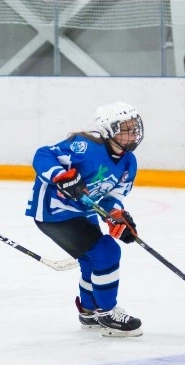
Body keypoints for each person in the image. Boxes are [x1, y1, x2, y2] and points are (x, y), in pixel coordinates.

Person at [25, 101, 144, 337]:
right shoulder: (85, 146)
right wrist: (61, 176)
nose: (133, 132)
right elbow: (43, 154)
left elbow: (113, 197)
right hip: (54, 211)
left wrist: (116, 216)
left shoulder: (129, 162)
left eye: (134, 126)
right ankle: (107, 312)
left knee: (92, 260)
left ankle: (89, 311)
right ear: (108, 130)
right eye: (125, 127)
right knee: (106, 252)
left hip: (82, 211)